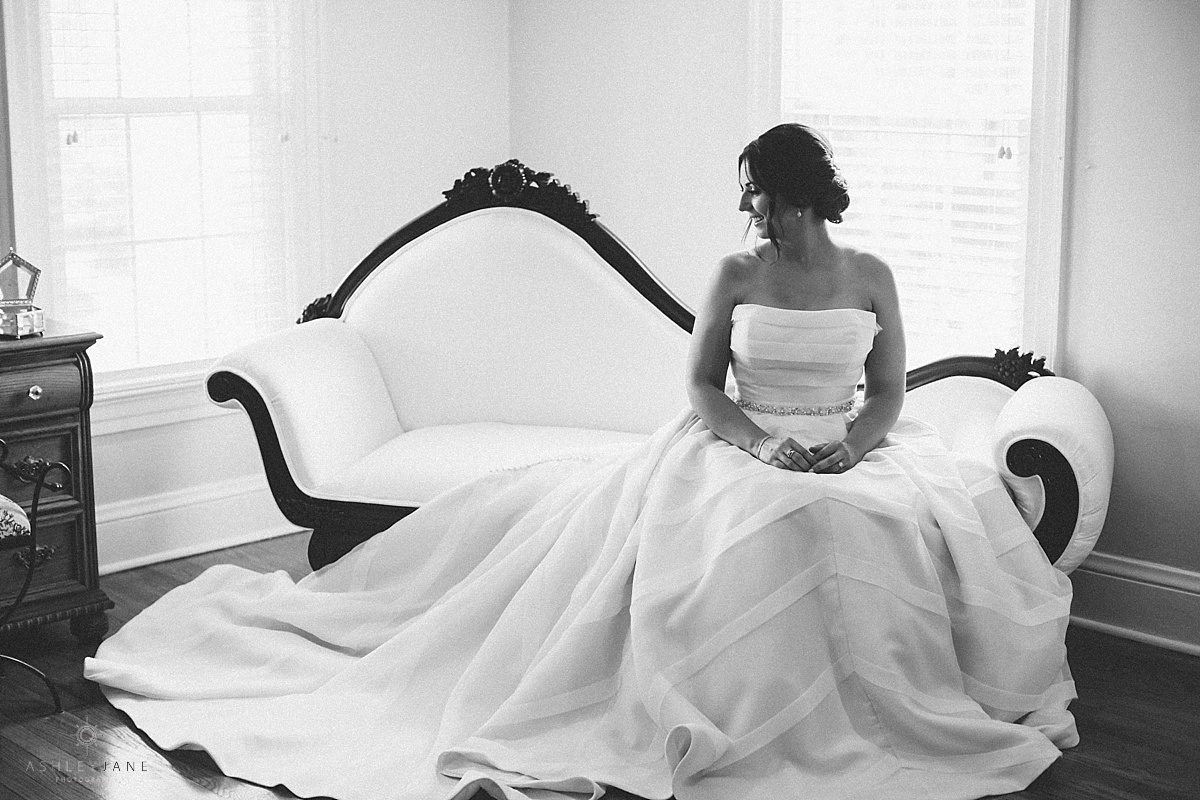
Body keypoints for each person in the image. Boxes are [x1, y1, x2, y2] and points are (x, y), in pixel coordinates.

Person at [85, 124, 1077, 800]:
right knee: (747, 531)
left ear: (805, 197)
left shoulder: (870, 276)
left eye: (768, 198)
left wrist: (848, 446)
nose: (756, 214)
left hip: (843, 446)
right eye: (754, 200)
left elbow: (890, 391)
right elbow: (702, 386)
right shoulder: (739, 273)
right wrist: (760, 440)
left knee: (865, 521)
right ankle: (738, 719)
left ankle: (843, 719)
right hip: (743, 441)